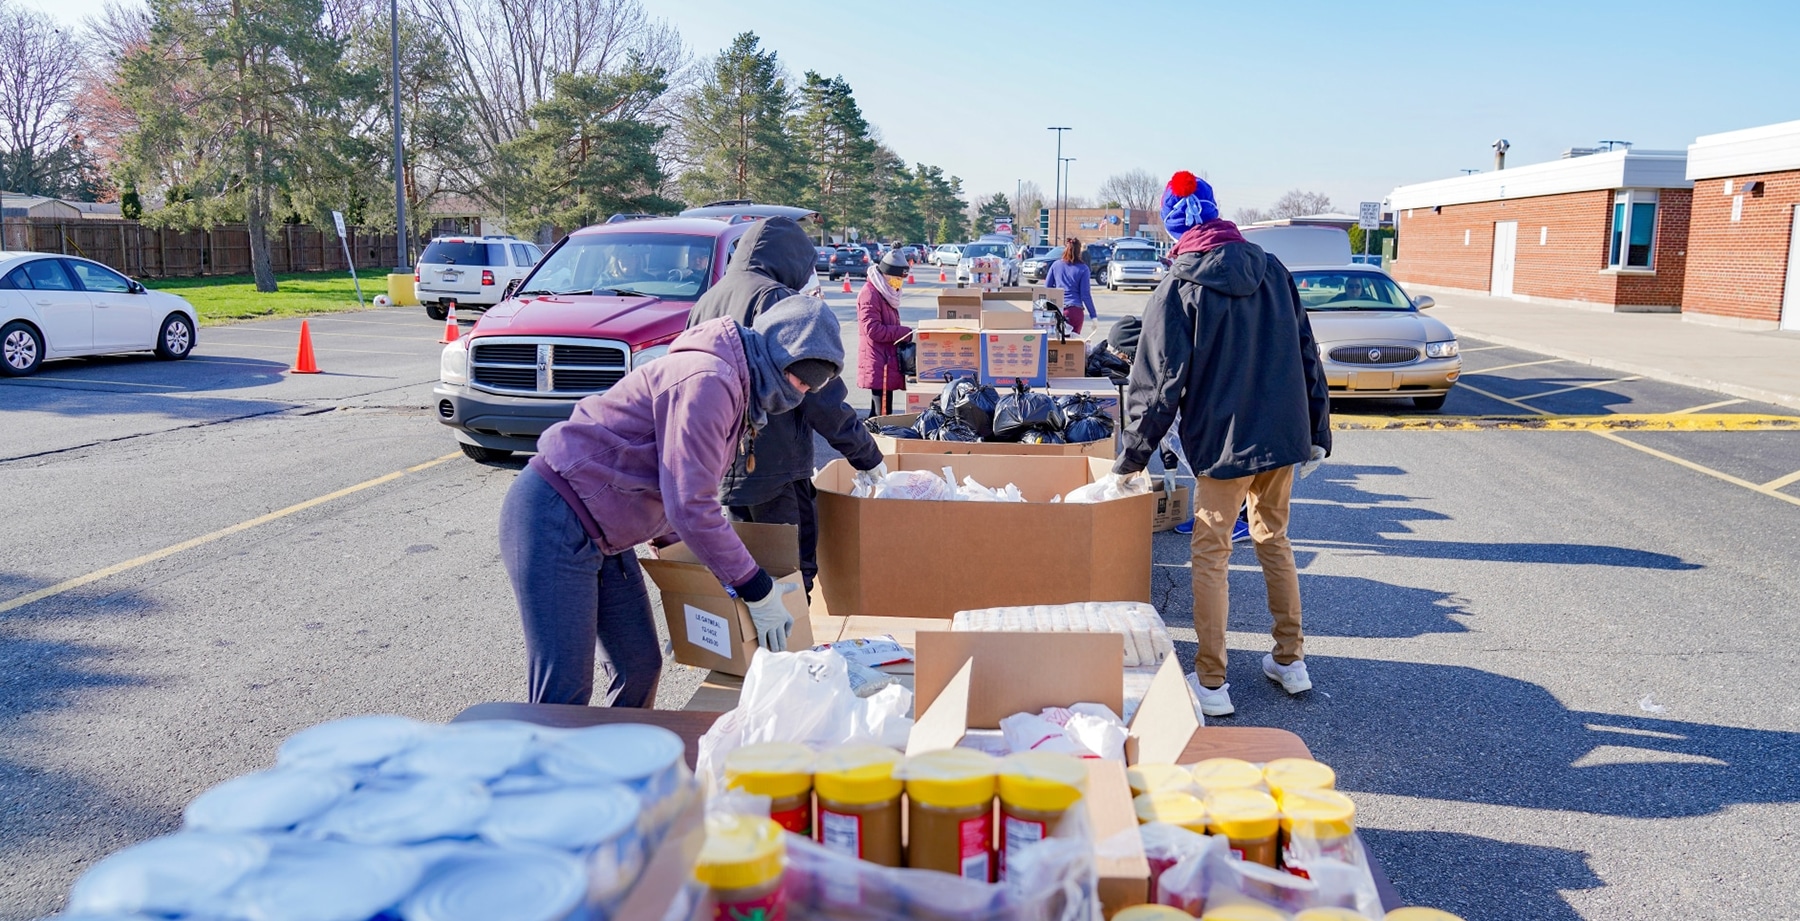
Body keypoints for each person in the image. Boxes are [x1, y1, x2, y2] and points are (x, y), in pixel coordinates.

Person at [500, 296, 845, 708]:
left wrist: (689, 565)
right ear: (777, 352)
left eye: (810, 388)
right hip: (556, 514)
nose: (800, 393)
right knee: (564, 691)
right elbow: (689, 503)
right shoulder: (710, 380)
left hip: (608, 532)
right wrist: (755, 587)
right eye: (799, 380)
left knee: (640, 666)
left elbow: (669, 477)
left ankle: (621, 760)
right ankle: (550, 768)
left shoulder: (740, 383)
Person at [1113, 170, 1331, 718]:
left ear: (1173, 226)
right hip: (1283, 435)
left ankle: (1211, 682)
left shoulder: (1181, 284)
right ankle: (1291, 659)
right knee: (1274, 539)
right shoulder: (1273, 269)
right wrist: (1319, 432)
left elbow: (1160, 381)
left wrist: (1133, 456)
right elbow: (1309, 354)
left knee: (1211, 553)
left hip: (1223, 441)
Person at [688, 217, 885, 596]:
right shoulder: (775, 299)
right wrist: (866, 454)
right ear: (791, 259)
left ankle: (750, 653)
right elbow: (820, 393)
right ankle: (785, 653)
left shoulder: (708, 299)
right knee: (791, 576)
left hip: (725, 464)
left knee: (741, 572)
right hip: (776, 465)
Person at [858, 251, 913, 416]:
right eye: (897, 278)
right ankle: (872, 441)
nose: (899, 283)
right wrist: (904, 333)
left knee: (881, 411)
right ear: (886, 274)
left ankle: (870, 439)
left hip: (886, 359)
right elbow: (873, 330)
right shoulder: (870, 293)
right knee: (881, 414)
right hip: (878, 359)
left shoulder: (886, 292)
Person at [1044, 237, 1098, 334]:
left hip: (1058, 309)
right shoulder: (1083, 269)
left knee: (1056, 344)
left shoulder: (1056, 265)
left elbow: (1047, 288)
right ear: (1079, 251)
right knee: (1074, 345)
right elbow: (1085, 295)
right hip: (1075, 310)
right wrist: (1093, 316)